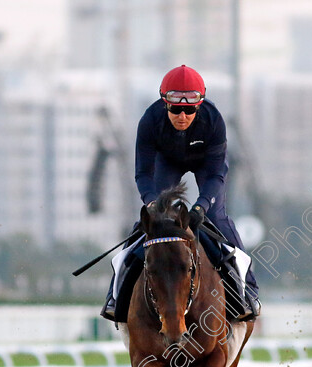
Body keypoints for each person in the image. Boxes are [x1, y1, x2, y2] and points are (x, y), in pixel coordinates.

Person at [101, 64, 260, 322]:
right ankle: (115, 294)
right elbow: (142, 174)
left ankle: (248, 291)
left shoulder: (214, 120)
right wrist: (152, 203)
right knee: (149, 224)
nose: (183, 116)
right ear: (165, 103)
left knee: (218, 219)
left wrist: (201, 207)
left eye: (189, 110)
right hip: (168, 163)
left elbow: (217, 175)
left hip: (206, 166)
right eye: (176, 109)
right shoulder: (150, 121)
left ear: (200, 105)